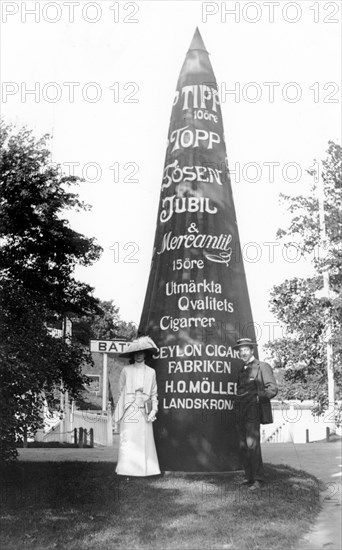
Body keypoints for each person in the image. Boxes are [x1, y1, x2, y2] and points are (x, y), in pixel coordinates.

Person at [233, 337, 278, 490]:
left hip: (253, 410)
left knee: (252, 444)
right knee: (243, 444)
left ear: (252, 350)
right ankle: (248, 477)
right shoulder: (241, 369)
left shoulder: (263, 366)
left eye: (246, 349)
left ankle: (258, 479)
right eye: (240, 350)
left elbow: (272, 389)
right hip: (240, 410)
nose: (243, 353)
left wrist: (258, 397)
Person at [113, 336, 161, 477]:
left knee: (144, 440)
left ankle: (146, 470)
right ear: (133, 354)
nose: (139, 355)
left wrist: (154, 410)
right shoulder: (126, 370)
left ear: (145, 353)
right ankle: (126, 470)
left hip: (144, 410)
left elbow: (154, 393)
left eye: (141, 352)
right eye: (136, 353)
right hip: (129, 409)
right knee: (128, 438)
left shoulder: (151, 372)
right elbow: (120, 389)